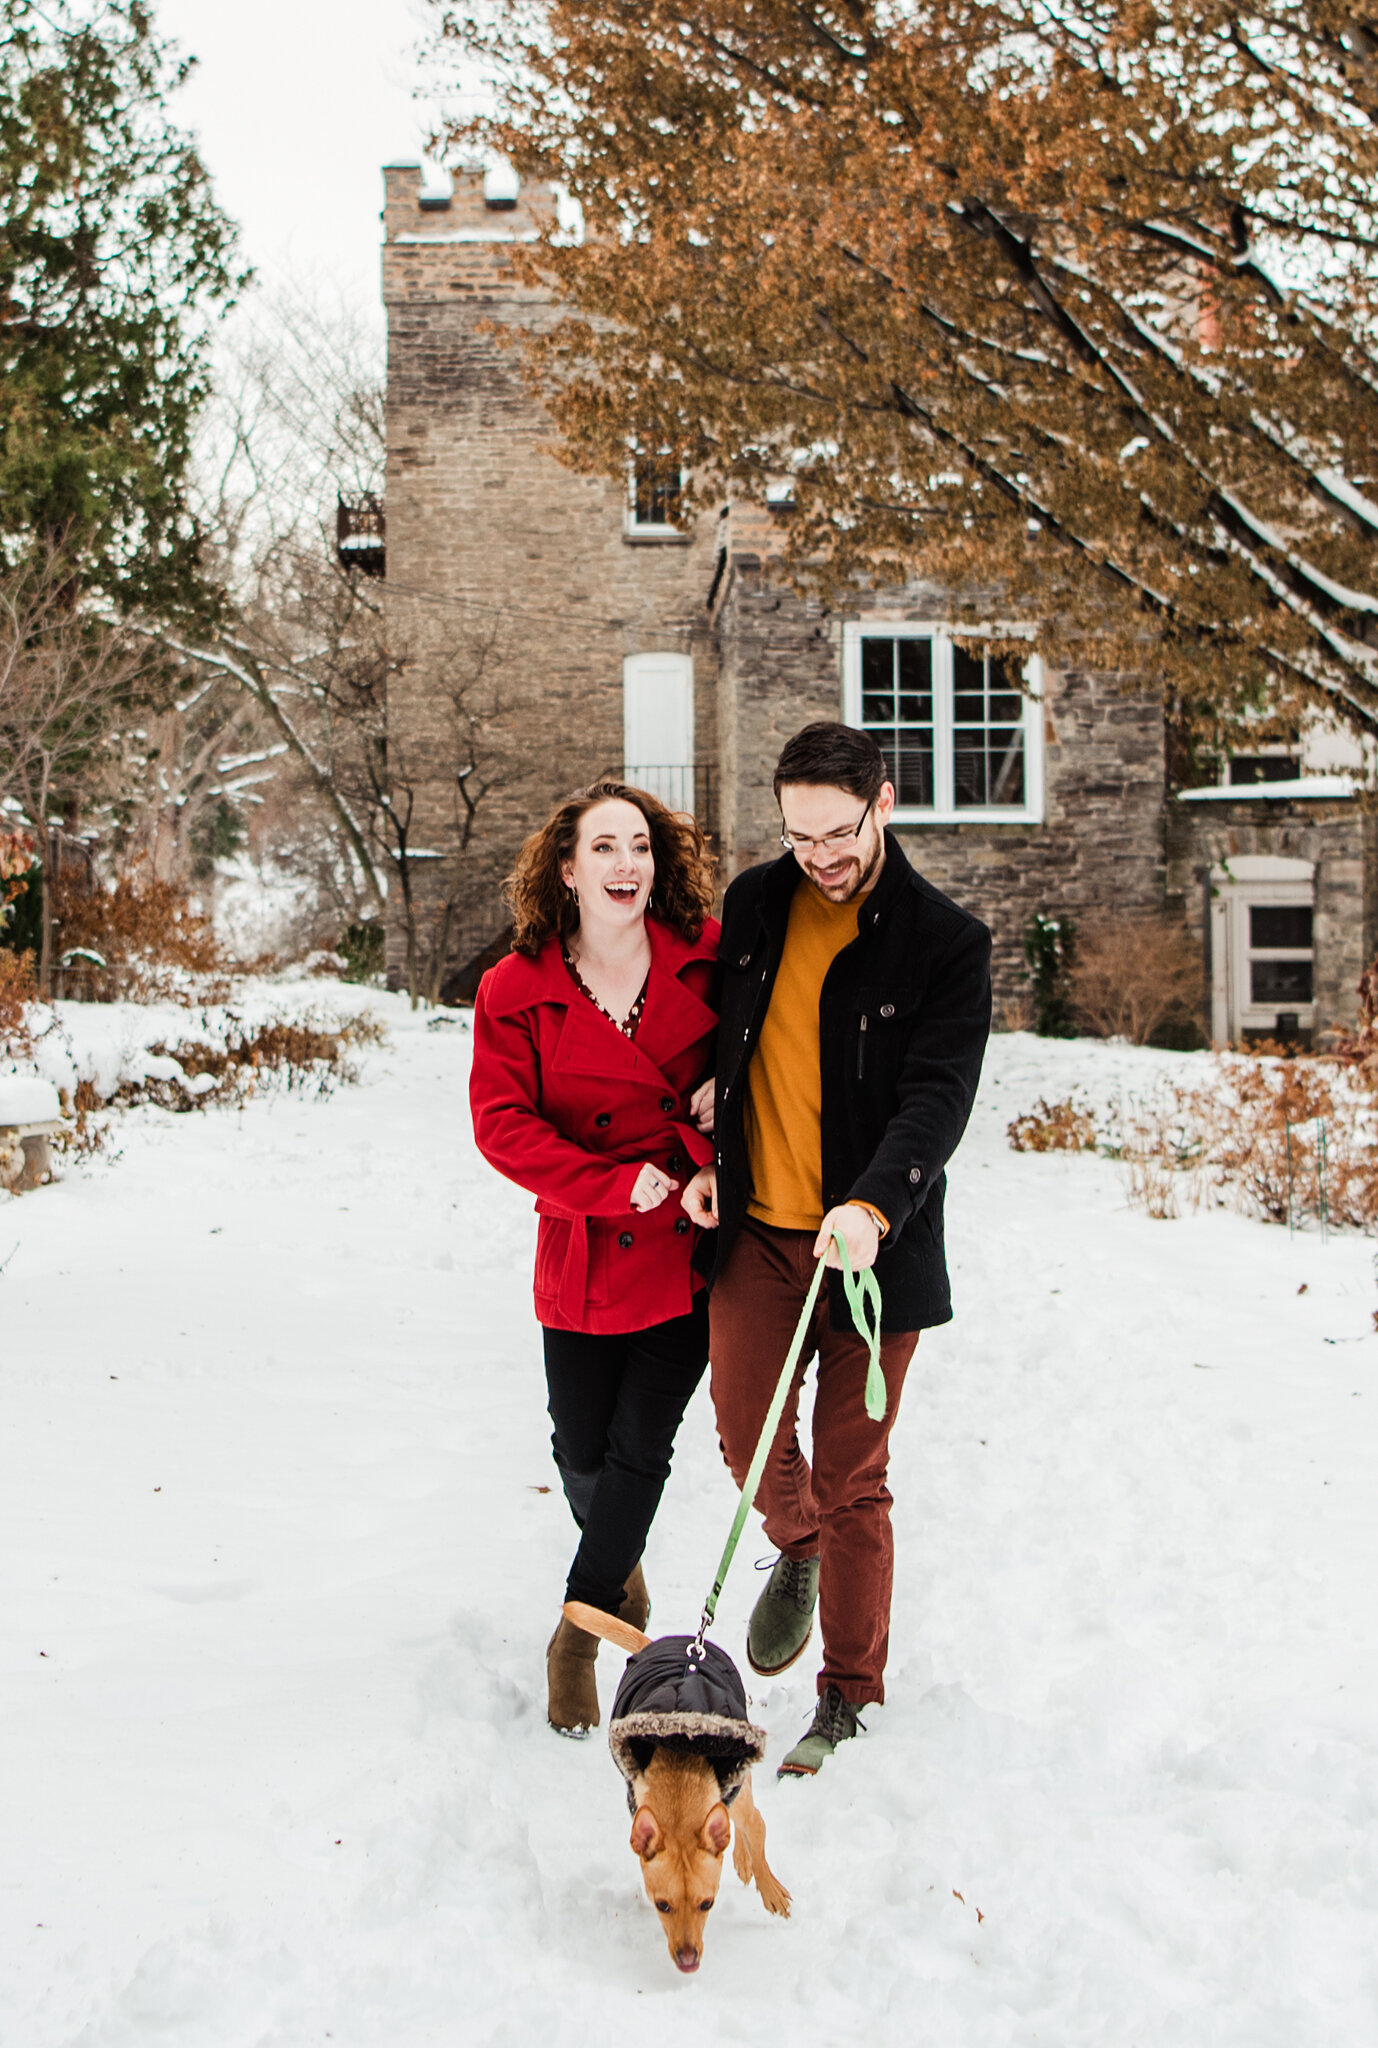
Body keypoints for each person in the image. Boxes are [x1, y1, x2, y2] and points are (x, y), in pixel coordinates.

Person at [682, 722, 991, 1776]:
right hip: (763, 1228)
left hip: (870, 1253)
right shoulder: (757, 902)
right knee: (739, 1431)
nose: (820, 855)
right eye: (799, 833)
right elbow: (737, 1016)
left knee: (855, 1468)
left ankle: (848, 1691)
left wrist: (873, 1204)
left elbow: (935, 1097)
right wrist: (718, 1091)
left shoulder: (945, 941)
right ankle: (798, 1546)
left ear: (884, 804)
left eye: (837, 831)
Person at [470, 779, 718, 1735]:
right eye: (604, 848)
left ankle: (582, 1627)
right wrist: (611, 1185)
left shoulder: (707, 962)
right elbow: (502, 1127)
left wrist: (712, 1129)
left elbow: (762, 1061)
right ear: (566, 870)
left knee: (637, 1448)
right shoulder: (516, 990)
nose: (627, 864)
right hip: (580, 1240)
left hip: (684, 1247)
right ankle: (619, 1561)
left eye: (642, 847)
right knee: (579, 1448)